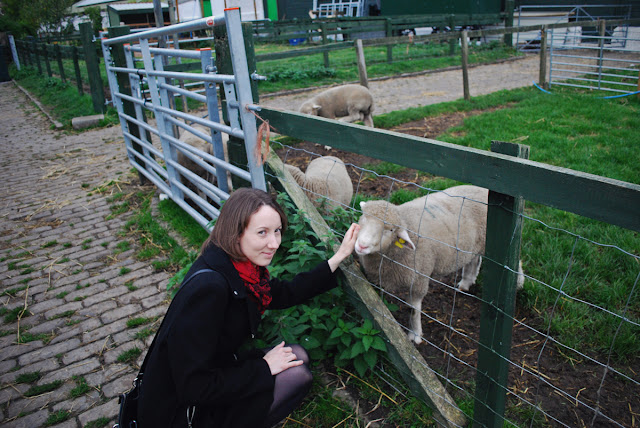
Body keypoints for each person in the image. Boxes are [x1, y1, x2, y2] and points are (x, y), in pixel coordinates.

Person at [137, 187, 360, 427]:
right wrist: (264, 368)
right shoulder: (209, 290)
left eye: (277, 231)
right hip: (183, 412)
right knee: (297, 375)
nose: (274, 243)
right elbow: (194, 388)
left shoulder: (239, 270)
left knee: (299, 355)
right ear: (236, 234)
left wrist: (337, 259)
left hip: (217, 372)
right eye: (262, 233)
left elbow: (284, 293)